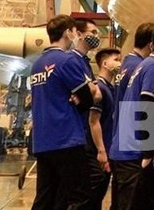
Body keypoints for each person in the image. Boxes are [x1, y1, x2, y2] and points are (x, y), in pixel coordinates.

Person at [29, 14, 101, 210]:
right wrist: (83, 97)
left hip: (43, 140)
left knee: (46, 197)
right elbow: (87, 98)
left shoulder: (37, 65)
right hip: (66, 137)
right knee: (80, 195)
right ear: (68, 33)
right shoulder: (66, 60)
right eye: (74, 32)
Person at [110, 24, 154, 210]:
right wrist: (150, 151)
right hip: (135, 151)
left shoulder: (142, 65)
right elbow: (147, 104)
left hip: (125, 147)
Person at [86, 48, 122, 210]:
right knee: (93, 194)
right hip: (96, 151)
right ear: (105, 63)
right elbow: (93, 121)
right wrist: (101, 151)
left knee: (100, 193)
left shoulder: (111, 88)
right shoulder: (99, 88)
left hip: (107, 149)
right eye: (116, 60)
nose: (119, 63)